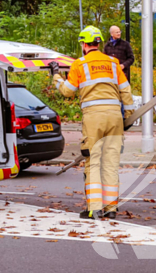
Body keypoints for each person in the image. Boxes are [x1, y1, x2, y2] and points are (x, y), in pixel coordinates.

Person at [53, 26, 135, 220]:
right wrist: (129, 115)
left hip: (94, 118)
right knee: (111, 163)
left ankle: (94, 209)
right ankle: (111, 208)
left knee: (93, 162)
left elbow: (67, 91)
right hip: (115, 117)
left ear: (83, 44)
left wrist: (56, 76)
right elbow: (125, 89)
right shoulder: (113, 62)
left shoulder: (79, 64)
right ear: (98, 43)